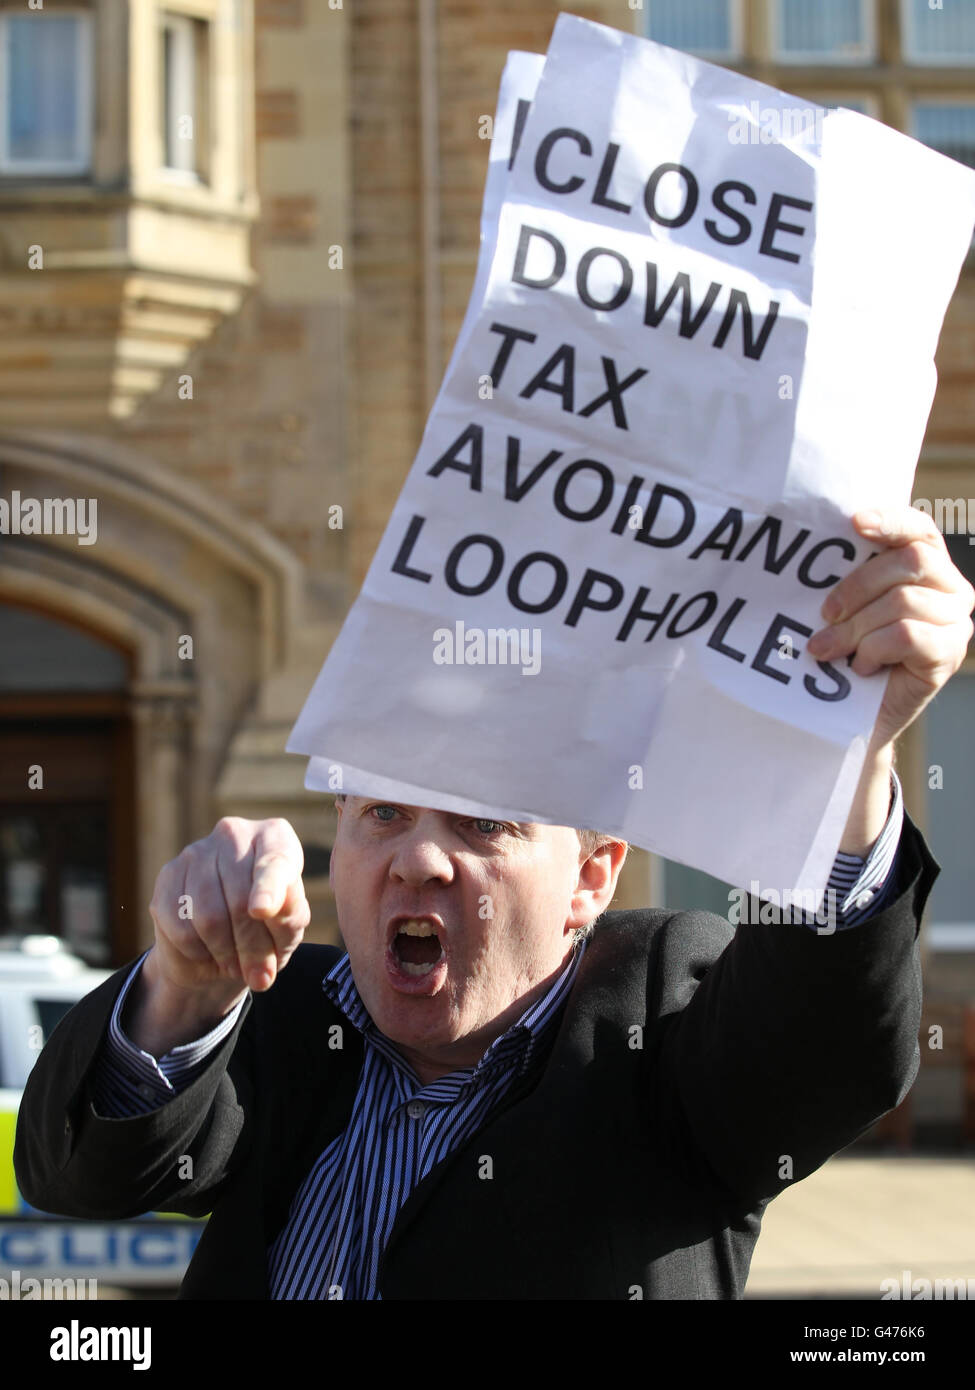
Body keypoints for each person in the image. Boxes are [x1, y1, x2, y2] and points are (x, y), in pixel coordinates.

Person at [14, 507, 974, 1299]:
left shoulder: (657, 1019)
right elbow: (78, 1178)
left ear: (591, 877)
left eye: (484, 825)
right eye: (383, 812)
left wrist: (843, 759)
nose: (418, 857)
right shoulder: (283, 1022)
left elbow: (819, 1050)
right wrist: (184, 986)